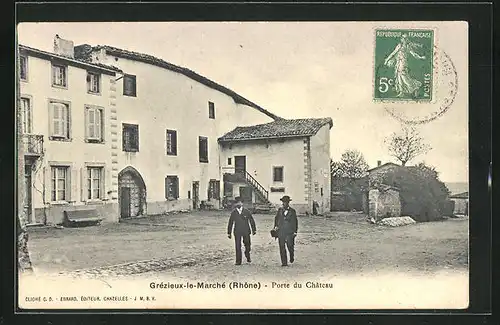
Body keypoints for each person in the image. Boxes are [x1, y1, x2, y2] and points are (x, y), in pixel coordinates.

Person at [227, 197, 257, 265]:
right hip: (237, 231)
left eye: (239, 202)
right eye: (237, 202)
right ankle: (238, 261)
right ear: (235, 204)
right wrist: (229, 232)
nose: (238, 203)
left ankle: (247, 253)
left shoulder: (246, 211)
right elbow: (230, 222)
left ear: (242, 203)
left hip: (246, 231)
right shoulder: (234, 212)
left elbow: (251, 220)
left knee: (248, 244)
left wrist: (254, 230)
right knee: (238, 246)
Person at [273, 195, 298, 266]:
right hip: (281, 231)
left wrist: (295, 231)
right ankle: (284, 262)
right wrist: (275, 227)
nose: (283, 203)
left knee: (290, 245)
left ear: (288, 203)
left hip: (290, 232)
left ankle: (291, 254)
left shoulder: (292, 211)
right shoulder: (280, 210)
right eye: (283, 202)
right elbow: (276, 219)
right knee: (281, 246)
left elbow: (295, 222)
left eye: (285, 202)